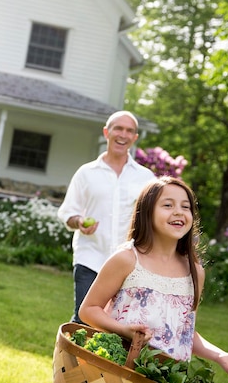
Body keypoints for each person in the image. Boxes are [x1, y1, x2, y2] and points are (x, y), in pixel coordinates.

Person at [79, 176, 228, 382]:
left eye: (185, 206)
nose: (179, 212)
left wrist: (220, 355)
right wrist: (123, 331)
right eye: (167, 205)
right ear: (147, 212)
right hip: (120, 372)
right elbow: (88, 310)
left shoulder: (195, 270)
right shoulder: (127, 259)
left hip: (169, 376)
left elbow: (185, 330)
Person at [57, 110, 155, 323]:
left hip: (128, 263)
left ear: (135, 138)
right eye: (118, 128)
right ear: (106, 132)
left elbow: (154, 219)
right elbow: (67, 212)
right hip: (90, 257)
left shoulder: (146, 178)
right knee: (84, 320)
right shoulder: (86, 172)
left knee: (119, 324)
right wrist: (79, 222)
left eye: (129, 131)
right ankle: (65, 356)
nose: (123, 134)